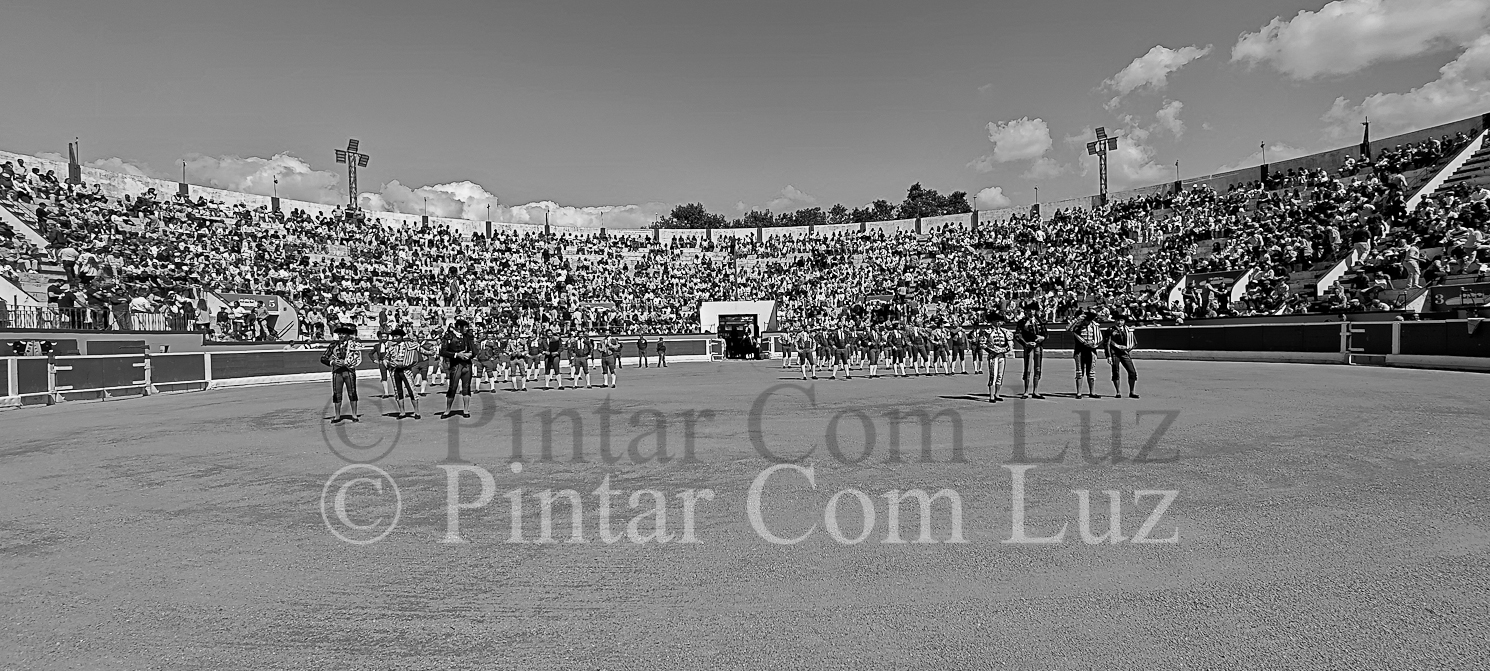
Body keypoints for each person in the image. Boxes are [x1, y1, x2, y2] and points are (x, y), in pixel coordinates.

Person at [324, 323, 362, 423]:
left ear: (348, 335)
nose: (341, 335)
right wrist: (332, 362)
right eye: (339, 334)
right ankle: (337, 415)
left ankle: (354, 414)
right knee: (337, 393)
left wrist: (346, 363)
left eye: (343, 334)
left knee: (352, 392)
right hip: (337, 372)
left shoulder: (353, 345)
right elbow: (323, 358)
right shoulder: (333, 345)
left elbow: (357, 358)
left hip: (349, 371)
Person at [439, 317, 476, 417]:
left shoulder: (468, 337)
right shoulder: (449, 336)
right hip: (455, 365)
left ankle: (466, 410)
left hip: (467, 364)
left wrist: (470, 354)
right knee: (453, 387)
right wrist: (456, 355)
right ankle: (447, 410)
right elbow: (443, 352)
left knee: (466, 387)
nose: (467, 329)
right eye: (465, 327)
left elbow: (474, 350)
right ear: (459, 327)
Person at [384, 327, 421, 419]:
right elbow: (385, 358)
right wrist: (388, 364)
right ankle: (402, 412)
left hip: (406, 370)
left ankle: (416, 412)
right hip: (394, 371)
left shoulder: (409, 345)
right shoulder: (391, 348)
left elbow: (419, 348)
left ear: (401, 336)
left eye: (396, 336)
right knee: (398, 391)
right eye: (393, 336)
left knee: (411, 390)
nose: (394, 338)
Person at [1014, 301, 1048, 399]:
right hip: (1028, 347)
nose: (1031, 312)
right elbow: (1017, 335)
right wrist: (1025, 343)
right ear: (1026, 312)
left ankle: (1035, 391)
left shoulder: (1040, 321)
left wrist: (1043, 338)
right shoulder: (1022, 322)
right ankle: (1026, 391)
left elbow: (1046, 334)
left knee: (1038, 369)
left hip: (1038, 346)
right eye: (1029, 310)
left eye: (1032, 310)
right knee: (1027, 369)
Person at [1068, 309, 1103, 399]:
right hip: (1080, 350)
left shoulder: (1095, 326)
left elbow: (1099, 339)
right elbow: (1068, 329)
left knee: (1091, 373)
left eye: (1089, 320)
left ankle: (1092, 392)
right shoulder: (1078, 326)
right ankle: (1079, 393)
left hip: (1091, 350)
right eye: (1087, 320)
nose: (1088, 322)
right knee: (1079, 372)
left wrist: (1093, 343)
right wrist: (1077, 320)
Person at [1104, 312, 1139, 399]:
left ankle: (1132, 392)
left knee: (1132, 372)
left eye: (1121, 320)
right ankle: (1118, 392)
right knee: (1115, 372)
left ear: (1124, 321)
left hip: (1124, 353)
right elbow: (1107, 344)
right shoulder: (1110, 330)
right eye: (1118, 320)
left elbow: (1134, 343)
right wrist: (1108, 356)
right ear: (1115, 321)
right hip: (1114, 353)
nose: (1119, 322)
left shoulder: (1128, 330)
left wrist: (1128, 349)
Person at [981, 313, 1013, 403]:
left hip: (1002, 355)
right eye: (997, 321)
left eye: (1000, 321)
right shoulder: (987, 331)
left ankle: (997, 394)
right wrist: (991, 350)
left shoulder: (1005, 331)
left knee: (1000, 375)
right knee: (993, 375)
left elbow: (1010, 344)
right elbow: (982, 344)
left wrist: (1005, 350)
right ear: (992, 321)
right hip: (993, 356)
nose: (999, 322)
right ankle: (991, 396)